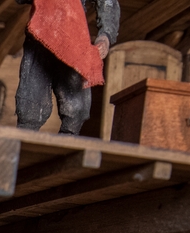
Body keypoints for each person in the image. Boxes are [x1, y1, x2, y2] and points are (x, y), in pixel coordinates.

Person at [15, 0, 120, 134]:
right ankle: (23, 143)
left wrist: (106, 35)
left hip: (74, 37)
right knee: (30, 108)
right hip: (40, 34)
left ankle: (67, 143)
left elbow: (108, 3)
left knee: (76, 111)